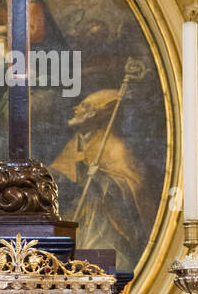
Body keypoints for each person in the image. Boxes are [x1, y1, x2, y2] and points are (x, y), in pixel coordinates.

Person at [50, 87, 151, 267]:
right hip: (80, 214)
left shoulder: (115, 147)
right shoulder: (79, 139)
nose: (76, 108)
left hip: (106, 222)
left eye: (84, 106)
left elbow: (134, 187)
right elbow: (60, 171)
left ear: (96, 115)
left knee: (107, 259)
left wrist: (101, 178)